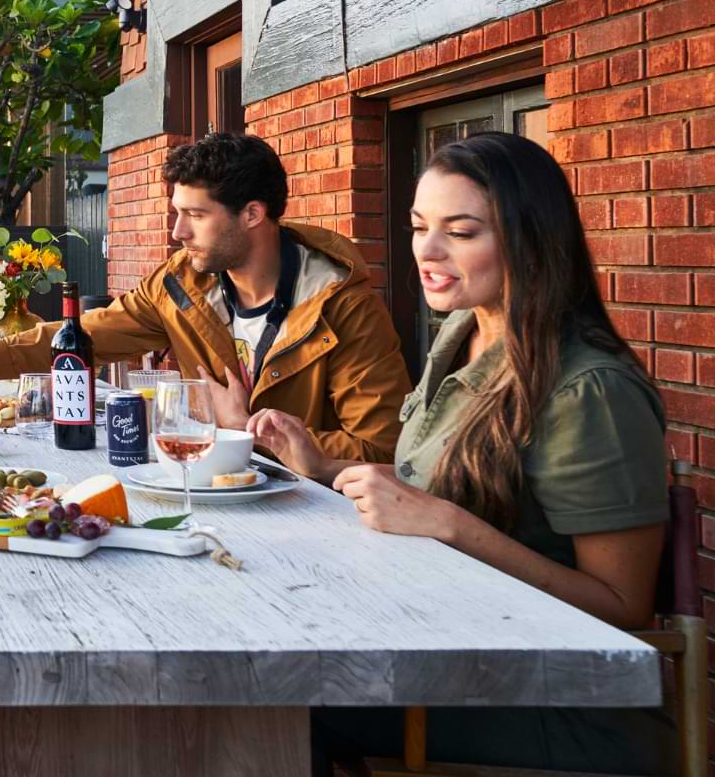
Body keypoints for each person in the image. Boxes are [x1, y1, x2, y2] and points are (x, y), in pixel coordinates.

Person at [250, 132, 669, 775]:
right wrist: (325, 468)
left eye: (463, 232)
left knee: (265, 694)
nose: (428, 251)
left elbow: (622, 605)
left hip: (559, 699)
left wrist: (447, 526)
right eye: (420, 227)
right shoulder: (462, 332)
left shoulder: (590, 392)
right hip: (447, 645)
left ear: (530, 241)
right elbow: (448, 481)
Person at [0, 132, 410, 461]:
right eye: (175, 213)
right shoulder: (179, 284)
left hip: (314, 519)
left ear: (252, 214)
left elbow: (381, 449)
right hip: (208, 487)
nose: (177, 232)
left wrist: (246, 430)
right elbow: (86, 336)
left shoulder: (343, 306)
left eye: (195, 215)